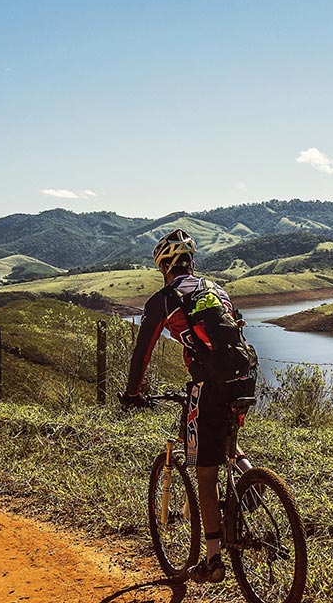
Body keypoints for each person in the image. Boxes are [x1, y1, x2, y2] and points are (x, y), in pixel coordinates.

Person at [122, 229, 256, 585]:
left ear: (163, 267)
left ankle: (212, 561)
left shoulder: (164, 300)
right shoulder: (216, 289)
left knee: (205, 469)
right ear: (191, 263)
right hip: (244, 378)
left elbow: (142, 353)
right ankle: (253, 483)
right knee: (227, 443)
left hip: (208, 386)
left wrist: (132, 393)